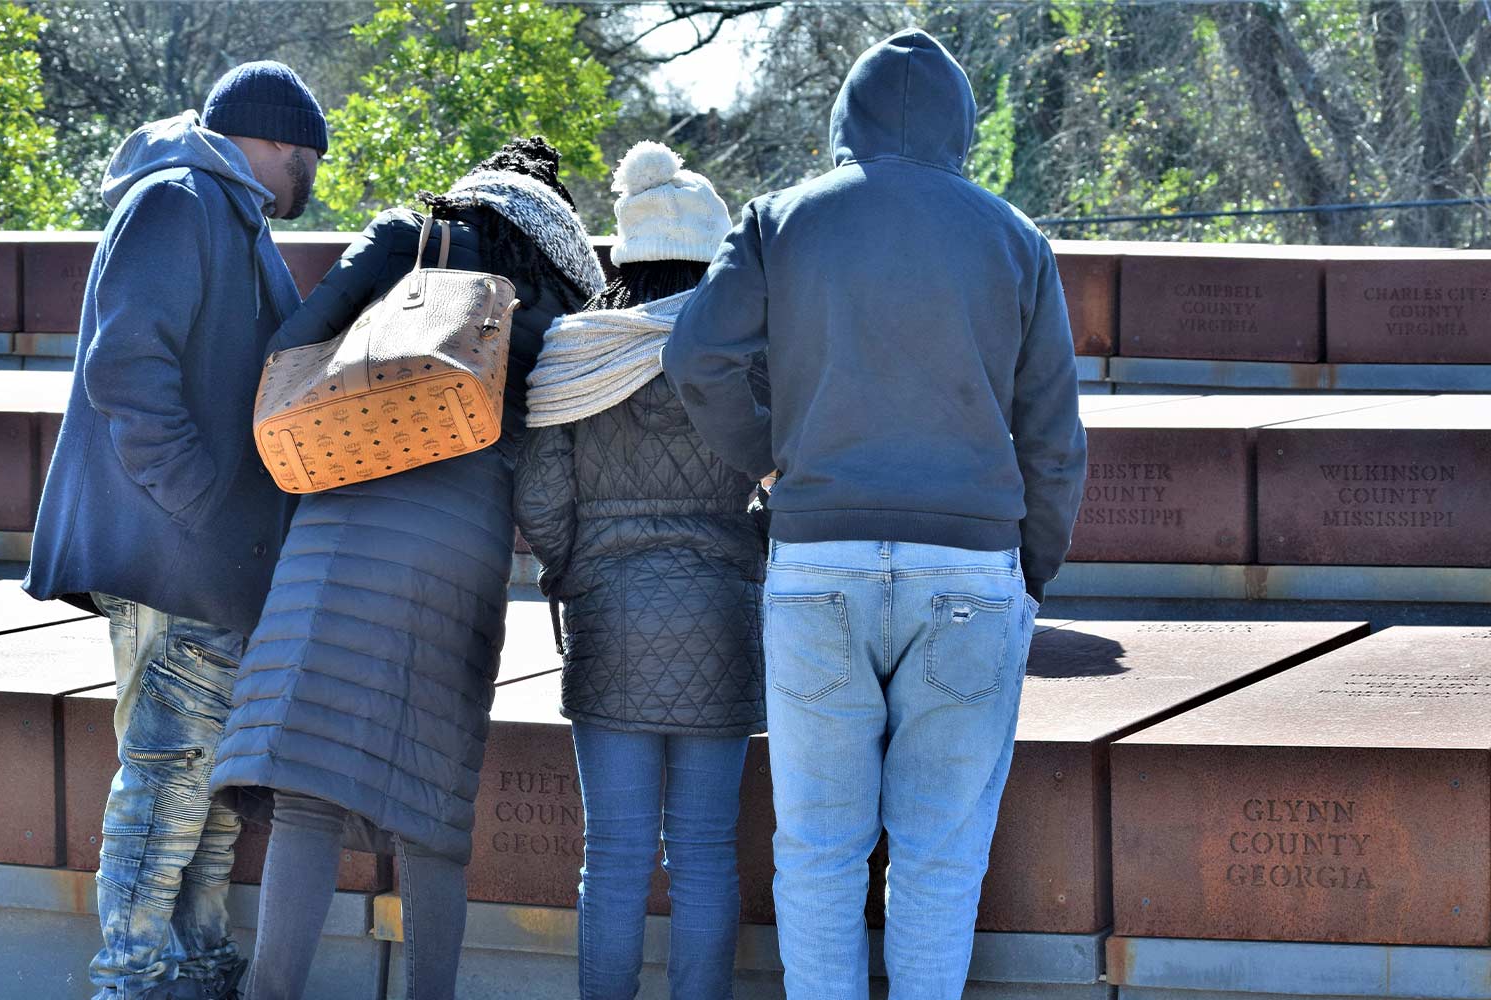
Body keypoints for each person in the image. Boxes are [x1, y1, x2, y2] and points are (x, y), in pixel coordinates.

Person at [662, 30, 1087, 1000]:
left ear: (842, 121)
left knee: (816, 853)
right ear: (962, 129)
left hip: (817, 558)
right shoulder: (1014, 241)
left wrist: (767, 457)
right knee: (937, 861)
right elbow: (1055, 441)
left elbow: (692, 357)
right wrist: (1031, 568)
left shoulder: (782, 219)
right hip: (971, 569)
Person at [209, 137, 604, 1000]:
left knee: (310, 790)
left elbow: (293, 346)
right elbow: (551, 456)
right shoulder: (559, 298)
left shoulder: (406, 238)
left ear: (469, 193)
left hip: (342, 526)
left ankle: (271, 992)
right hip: (461, 552)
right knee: (431, 815)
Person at [24, 60, 326, 1000]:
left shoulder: (222, 209)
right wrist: (201, 502)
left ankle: (197, 971)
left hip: (204, 559)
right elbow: (127, 366)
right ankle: (133, 983)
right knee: (167, 786)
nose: (313, 178)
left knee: (205, 791)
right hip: (173, 555)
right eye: (311, 156)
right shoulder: (179, 200)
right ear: (279, 140)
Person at [511, 141, 763, 1000]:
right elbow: (784, 483)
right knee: (704, 855)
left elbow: (541, 500)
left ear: (626, 250)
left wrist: (577, 571)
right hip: (724, 620)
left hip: (608, 621)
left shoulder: (575, 353)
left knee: (613, 857)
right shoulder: (750, 360)